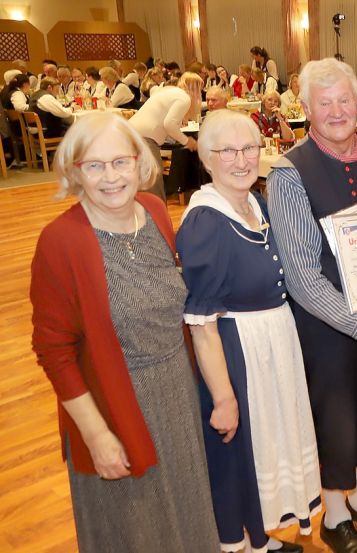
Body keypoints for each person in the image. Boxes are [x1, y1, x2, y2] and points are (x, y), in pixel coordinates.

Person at [31, 112, 220, 553]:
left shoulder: (154, 211)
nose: (111, 176)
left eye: (120, 161)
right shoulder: (60, 241)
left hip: (177, 395)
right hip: (114, 405)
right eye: (94, 165)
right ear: (74, 172)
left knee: (188, 515)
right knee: (135, 531)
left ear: (140, 162)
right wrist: (97, 436)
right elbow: (54, 353)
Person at [267, 57, 357, 553]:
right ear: (305, 108)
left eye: (344, 100)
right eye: (323, 102)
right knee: (334, 417)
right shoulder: (290, 173)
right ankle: (333, 515)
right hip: (327, 324)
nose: (336, 111)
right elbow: (303, 275)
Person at [176, 109, 321, 553]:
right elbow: (201, 325)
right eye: (229, 152)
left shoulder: (253, 202)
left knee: (265, 446)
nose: (242, 160)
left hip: (271, 345)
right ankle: (236, 544)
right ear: (206, 158)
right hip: (237, 350)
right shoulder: (205, 221)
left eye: (250, 149)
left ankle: (257, 537)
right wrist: (223, 397)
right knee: (237, 449)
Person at [128, 72, 202, 200]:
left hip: (130, 133)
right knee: (153, 181)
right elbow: (169, 124)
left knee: (142, 183)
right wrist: (187, 141)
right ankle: (158, 217)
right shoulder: (184, 98)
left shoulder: (170, 92)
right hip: (143, 137)